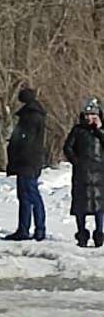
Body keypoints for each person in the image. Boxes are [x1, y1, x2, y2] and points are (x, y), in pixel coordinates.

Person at [5, 86, 47, 241]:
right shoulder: (33, 115)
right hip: (29, 161)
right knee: (25, 196)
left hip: (27, 162)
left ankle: (37, 229)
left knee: (30, 194)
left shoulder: (31, 116)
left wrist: (16, 157)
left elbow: (24, 141)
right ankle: (25, 228)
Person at [63, 97, 104, 248]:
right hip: (82, 173)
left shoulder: (101, 130)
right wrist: (76, 162)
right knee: (81, 206)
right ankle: (81, 233)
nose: (89, 118)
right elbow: (68, 147)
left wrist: (98, 130)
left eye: (92, 114)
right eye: (86, 115)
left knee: (100, 206)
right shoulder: (78, 130)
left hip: (100, 173)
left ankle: (99, 233)